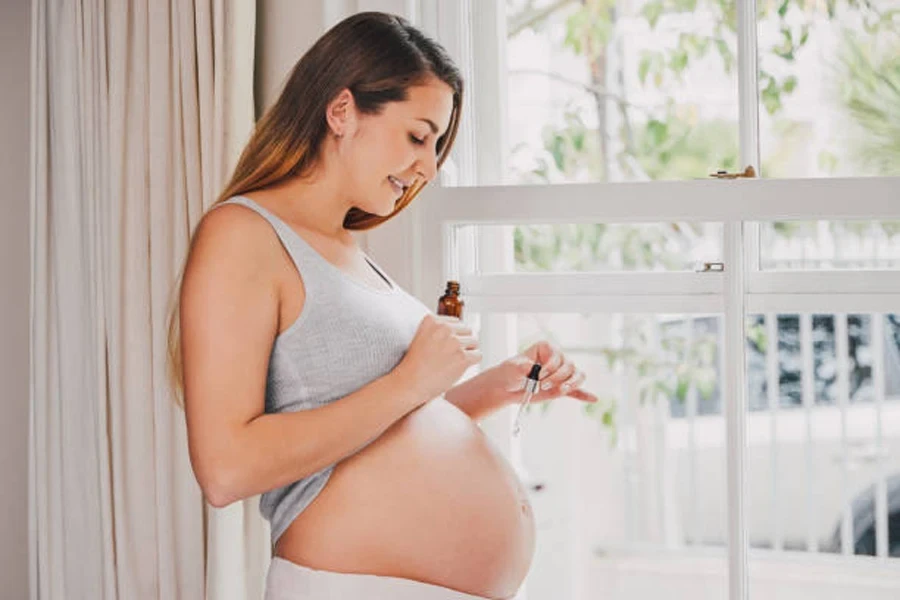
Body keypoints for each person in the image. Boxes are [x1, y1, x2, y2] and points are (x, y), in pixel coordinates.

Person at [167, 11, 597, 600]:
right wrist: (410, 381)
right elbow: (225, 469)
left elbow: (379, 432)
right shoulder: (242, 234)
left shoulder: (349, 250)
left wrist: (496, 386)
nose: (428, 167)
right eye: (419, 136)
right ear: (341, 111)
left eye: (438, 144)